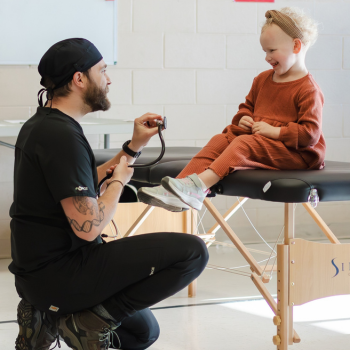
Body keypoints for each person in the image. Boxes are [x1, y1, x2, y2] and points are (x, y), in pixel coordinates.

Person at [9, 38, 209, 350]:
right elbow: (89, 228)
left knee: (142, 331)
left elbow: (78, 182)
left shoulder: (42, 125)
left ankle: (44, 316)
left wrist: (132, 149)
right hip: (63, 274)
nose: (109, 79)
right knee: (193, 252)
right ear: (79, 79)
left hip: (36, 277)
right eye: (102, 70)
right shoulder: (62, 136)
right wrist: (117, 184)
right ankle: (85, 321)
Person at [138, 7, 326, 212]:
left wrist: (276, 132)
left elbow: (310, 135)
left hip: (296, 154)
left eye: (272, 51)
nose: (267, 57)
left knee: (244, 144)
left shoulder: (308, 89)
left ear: (296, 46)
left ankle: (198, 188)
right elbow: (246, 107)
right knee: (221, 139)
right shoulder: (262, 80)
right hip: (265, 143)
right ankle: (176, 191)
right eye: (265, 51)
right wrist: (243, 118)